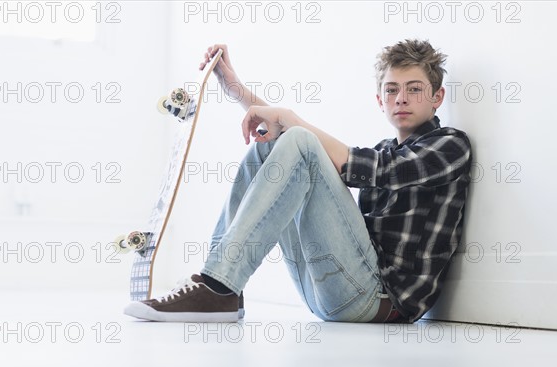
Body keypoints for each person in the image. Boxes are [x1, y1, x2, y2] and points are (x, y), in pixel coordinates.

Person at [124, 39, 472, 323]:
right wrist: (237, 91)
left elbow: (379, 169)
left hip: (381, 301)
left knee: (301, 142)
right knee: (279, 145)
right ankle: (221, 285)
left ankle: (218, 286)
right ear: (380, 100)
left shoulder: (450, 145)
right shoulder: (384, 147)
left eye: (414, 89)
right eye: (393, 89)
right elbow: (313, 156)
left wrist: (293, 120)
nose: (401, 98)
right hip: (330, 291)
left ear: (436, 97)